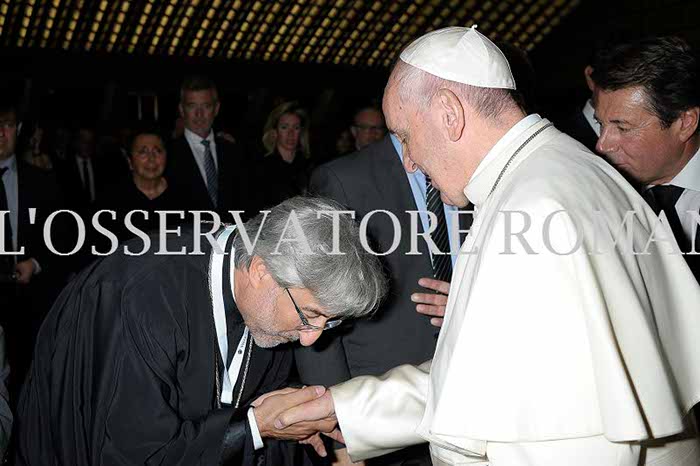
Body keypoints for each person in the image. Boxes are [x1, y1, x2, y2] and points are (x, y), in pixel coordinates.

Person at [275, 27, 700, 466]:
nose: (409, 161)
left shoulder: (536, 206)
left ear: (449, 113)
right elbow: (488, 379)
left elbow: (568, 438)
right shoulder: (547, 175)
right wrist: (343, 410)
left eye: (404, 136)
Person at [16, 196, 387, 465]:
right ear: (261, 271)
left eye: (331, 322)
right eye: (309, 316)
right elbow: (133, 452)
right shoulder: (142, 297)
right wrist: (257, 427)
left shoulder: (266, 295)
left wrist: (289, 411)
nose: (312, 339)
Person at [297, 133, 471, 465]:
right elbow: (315, 306)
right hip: (377, 413)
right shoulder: (343, 180)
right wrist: (341, 436)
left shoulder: (475, 168)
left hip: (469, 397)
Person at [592, 36, 700, 283]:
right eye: (601, 123)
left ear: (685, 123)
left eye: (623, 127)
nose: (602, 144)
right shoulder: (600, 193)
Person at [0, 100, 67, 399]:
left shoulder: (41, 180)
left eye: (7, 125)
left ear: (19, 130)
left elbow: (63, 236)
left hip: (32, 302)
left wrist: (37, 263)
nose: (0, 134)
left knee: (30, 385)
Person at [167, 75, 257, 221]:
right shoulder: (167, 155)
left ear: (216, 108)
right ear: (181, 110)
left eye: (206, 106)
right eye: (192, 106)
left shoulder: (235, 152)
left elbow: (247, 202)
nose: (199, 114)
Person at [97, 126, 182, 243]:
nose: (151, 158)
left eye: (157, 151)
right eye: (143, 152)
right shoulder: (111, 201)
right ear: (130, 161)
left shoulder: (184, 196)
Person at [259, 102, 312, 208]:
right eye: (284, 127)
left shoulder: (310, 167)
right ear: (274, 131)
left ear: (301, 131)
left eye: (296, 128)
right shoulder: (261, 168)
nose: (291, 134)